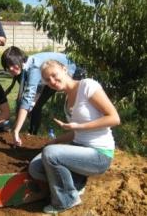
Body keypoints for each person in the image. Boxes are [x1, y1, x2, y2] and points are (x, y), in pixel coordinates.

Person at [28, 60, 120, 214]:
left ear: (64, 69)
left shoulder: (87, 86)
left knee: (51, 154)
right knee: (35, 168)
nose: (52, 81)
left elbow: (114, 118)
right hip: (80, 149)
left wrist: (79, 127)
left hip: (99, 154)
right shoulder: (66, 99)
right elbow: (76, 132)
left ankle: (66, 200)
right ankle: (76, 183)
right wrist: (56, 141)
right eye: (47, 80)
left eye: (54, 75)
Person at [1, 46, 84, 146]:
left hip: (72, 71)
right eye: (7, 66)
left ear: (20, 59)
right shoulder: (25, 66)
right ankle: (32, 134)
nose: (11, 69)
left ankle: (79, 136)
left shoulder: (34, 67)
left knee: (74, 108)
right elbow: (25, 97)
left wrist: (16, 130)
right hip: (47, 79)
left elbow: (28, 96)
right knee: (35, 106)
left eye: (12, 64)